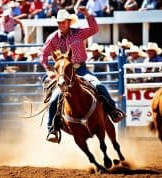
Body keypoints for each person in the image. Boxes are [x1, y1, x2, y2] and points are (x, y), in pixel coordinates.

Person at [40, 8, 126, 143]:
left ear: (68, 22)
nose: (61, 25)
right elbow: (43, 55)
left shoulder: (78, 33)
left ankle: (113, 111)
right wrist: (48, 70)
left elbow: (94, 29)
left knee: (99, 86)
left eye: (63, 22)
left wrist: (87, 15)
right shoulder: (53, 38)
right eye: (59, 23)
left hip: (81, 69)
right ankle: (52, 130)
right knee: (54, 99)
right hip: (64, 73)